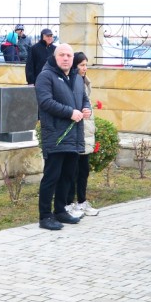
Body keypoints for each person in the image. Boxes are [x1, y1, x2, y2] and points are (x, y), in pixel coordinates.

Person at [35, 43, 89, 231]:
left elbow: (83, 98)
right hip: (56, 135)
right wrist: (70, 112)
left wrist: (86, 108)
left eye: (69, 55)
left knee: (68, 176)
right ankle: (45, 216)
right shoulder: (45, 76)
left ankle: (60, 210)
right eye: (62, 55)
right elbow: (45, 102)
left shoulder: (76, 77)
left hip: (74, 136)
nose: (66, 58)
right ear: (55, 57)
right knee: (52, 177)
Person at [68, 52, 100, 218]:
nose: (84, 68)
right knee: (73, 171)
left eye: (86, 65)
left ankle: (82, 201)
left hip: (86, 133)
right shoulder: (73, 82)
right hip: (77, 133)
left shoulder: (85, 82)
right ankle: (71, 204)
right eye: (81, 65)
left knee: (83, 171)